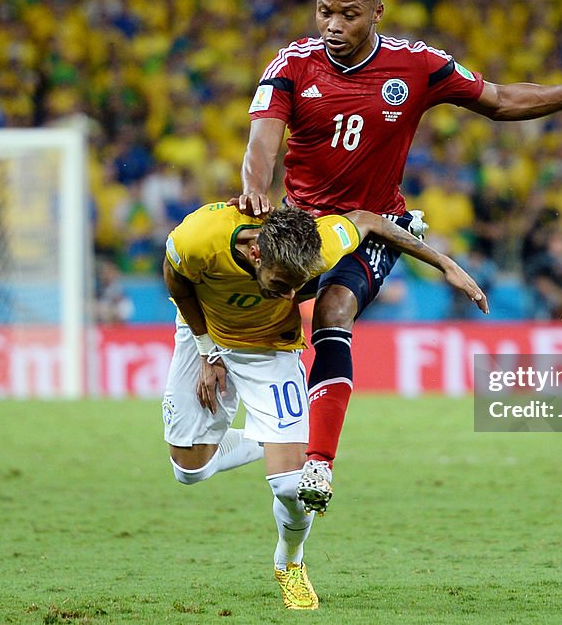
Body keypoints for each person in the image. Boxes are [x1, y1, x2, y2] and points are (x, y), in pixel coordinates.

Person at [236, 0, 562, 512]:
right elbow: (260, 146)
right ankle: (226, 401)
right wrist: (256, 189)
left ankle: (320, 465)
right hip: (303, 227)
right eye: (324, 11)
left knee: (335, 310)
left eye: (348, 14)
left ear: (377, 13)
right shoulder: (292, 66)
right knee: (262, 320)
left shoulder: (416, 65)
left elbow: (501, 100)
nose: (332, 24)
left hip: (375, 227)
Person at [162, 202, 487, 610]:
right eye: (281, 285)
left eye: (297, 287)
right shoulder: (200, 236)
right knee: (189, 470)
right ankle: (273, 440)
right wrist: (207, 351)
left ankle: (289, 563)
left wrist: (444, 264)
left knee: (291, 487)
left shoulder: (321, 243)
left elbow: (369, 220)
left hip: (271, 351)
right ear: (257, 253)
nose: (289, 296)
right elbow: (175, 278)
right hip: (204, 334)